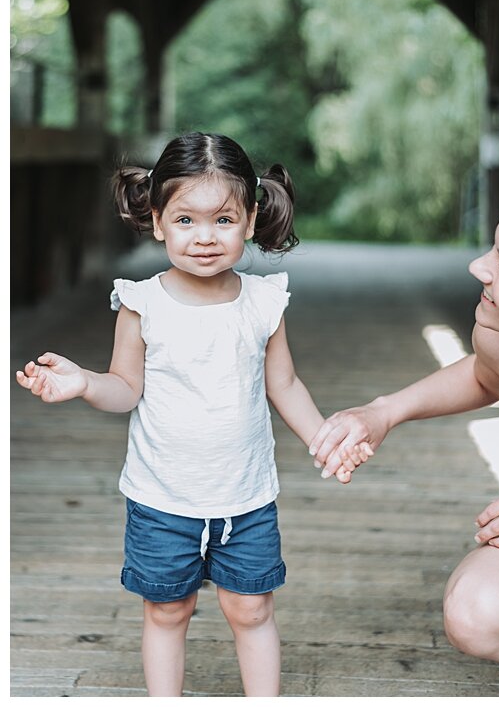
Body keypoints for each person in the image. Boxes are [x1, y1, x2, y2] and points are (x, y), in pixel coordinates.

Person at [15, 133, 347, 698]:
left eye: (223, 219)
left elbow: (283, 383)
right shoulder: (142, 303)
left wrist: (325, 439)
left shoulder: (263, 301)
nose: (205, 238)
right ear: (158, 220)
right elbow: (125, 388)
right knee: (168, 612)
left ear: (249, 219)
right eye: (186, 220)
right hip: (161, 497)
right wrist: (85, 383)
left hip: (245, 496)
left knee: (252, 608)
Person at [309, 198, 499, 668]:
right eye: (491, 250)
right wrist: (382, 413)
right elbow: (488, 377)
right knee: (476, 611)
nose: (478, 267)